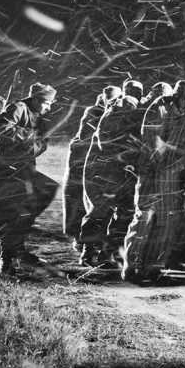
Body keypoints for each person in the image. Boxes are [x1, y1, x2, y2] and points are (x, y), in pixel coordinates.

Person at [0, 83, 59, 275]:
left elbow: (42, 144)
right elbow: (2, 129)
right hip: (7, 169)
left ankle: (16, 246)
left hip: (24, 167)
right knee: (12, 210)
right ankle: (6, 258)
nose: (48, 108)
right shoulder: (18, 108)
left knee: (44, 192)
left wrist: (36, 143)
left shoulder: (38, 115)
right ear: (36, 99)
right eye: (46, 103)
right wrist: (32, 137)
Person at [123, 80, 185, 283]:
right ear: (176, 97)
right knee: (143, 221)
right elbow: (153, 143)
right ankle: (131, 267)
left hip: (171, 178)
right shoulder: (159, 108)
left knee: (167, 224)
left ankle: (153, 268)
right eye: (184, 101)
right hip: (152, 176)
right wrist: (176, 156)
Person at [80, 92, 143, 268]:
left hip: (117, 173)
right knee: (99, 211)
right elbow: (106, 145)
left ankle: (107, 252)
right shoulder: (111, 118)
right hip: (101, 172)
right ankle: (89, 251)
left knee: (122, 212)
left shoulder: (121, 119)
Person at [62, 86, 121, 252]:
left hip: (98, 163)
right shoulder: (94, 111)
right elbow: (86, 136)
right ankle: (80, 238)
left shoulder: (114, 112)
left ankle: (95, 239)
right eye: (110, 99)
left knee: (98, 203)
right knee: (79, 201)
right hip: (83, 162)